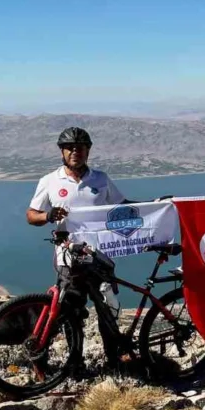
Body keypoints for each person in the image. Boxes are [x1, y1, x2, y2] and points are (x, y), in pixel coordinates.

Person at [27, 126, 128, 366]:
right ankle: (75, 364)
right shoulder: (50, 181)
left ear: (88, 151)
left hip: (100, 255)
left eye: (80, 148)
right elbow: (31, 215)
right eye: (70, 148)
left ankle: (114, 359)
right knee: (70, 313)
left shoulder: (101, 179)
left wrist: (156, 206)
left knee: (107, 310)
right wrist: (48, 216)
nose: (75, 152)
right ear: (62, 152)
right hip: (67, 259)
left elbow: (123, 208)